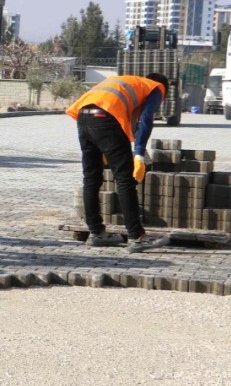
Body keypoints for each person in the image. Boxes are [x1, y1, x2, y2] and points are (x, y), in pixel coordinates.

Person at [66, 72, 171, 253]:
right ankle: (137, 237)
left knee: (91, 178)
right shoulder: (157, 87)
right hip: (105, 119)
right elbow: (146, 119)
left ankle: (97, 233)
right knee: (124, 179)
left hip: (84, 117)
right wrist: (138, 154)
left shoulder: (127, 82)